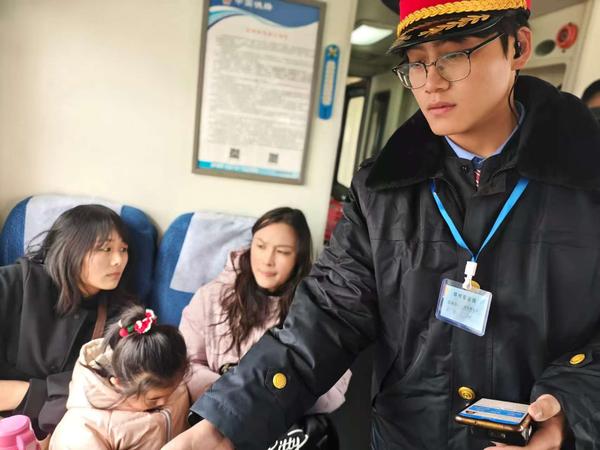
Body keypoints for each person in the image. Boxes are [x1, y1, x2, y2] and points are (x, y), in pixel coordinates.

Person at [164, 1, 600, 449]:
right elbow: (328, 314)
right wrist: (221, 429)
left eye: (454, 55)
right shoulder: (382, 189)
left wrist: (569, 409)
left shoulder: (588, 181)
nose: (430, 82)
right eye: (416, 62)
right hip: (405, 437)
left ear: (518, 47)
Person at [179, 207, 351, 447]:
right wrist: (232, 396)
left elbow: (335, 388)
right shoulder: (211, 297)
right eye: (260, 246)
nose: (267, 260)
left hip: (282, 430)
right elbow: (185, 364)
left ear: (298, 257)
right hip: (213, 421)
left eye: (282, 252)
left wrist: (267, 399)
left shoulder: (316, 310)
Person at [0, 204, 132, 439]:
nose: (118, 260)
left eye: (123, 250)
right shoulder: (12, 283)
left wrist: (22, 392)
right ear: (71, 247)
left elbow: (100, 394)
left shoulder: (122, 317)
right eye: (106, 248)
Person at [50, 306, 190, 450]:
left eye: (173, 391)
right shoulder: (82, 431)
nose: (165, 402)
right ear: (119, 383)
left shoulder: (169, 375)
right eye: (154, 399)